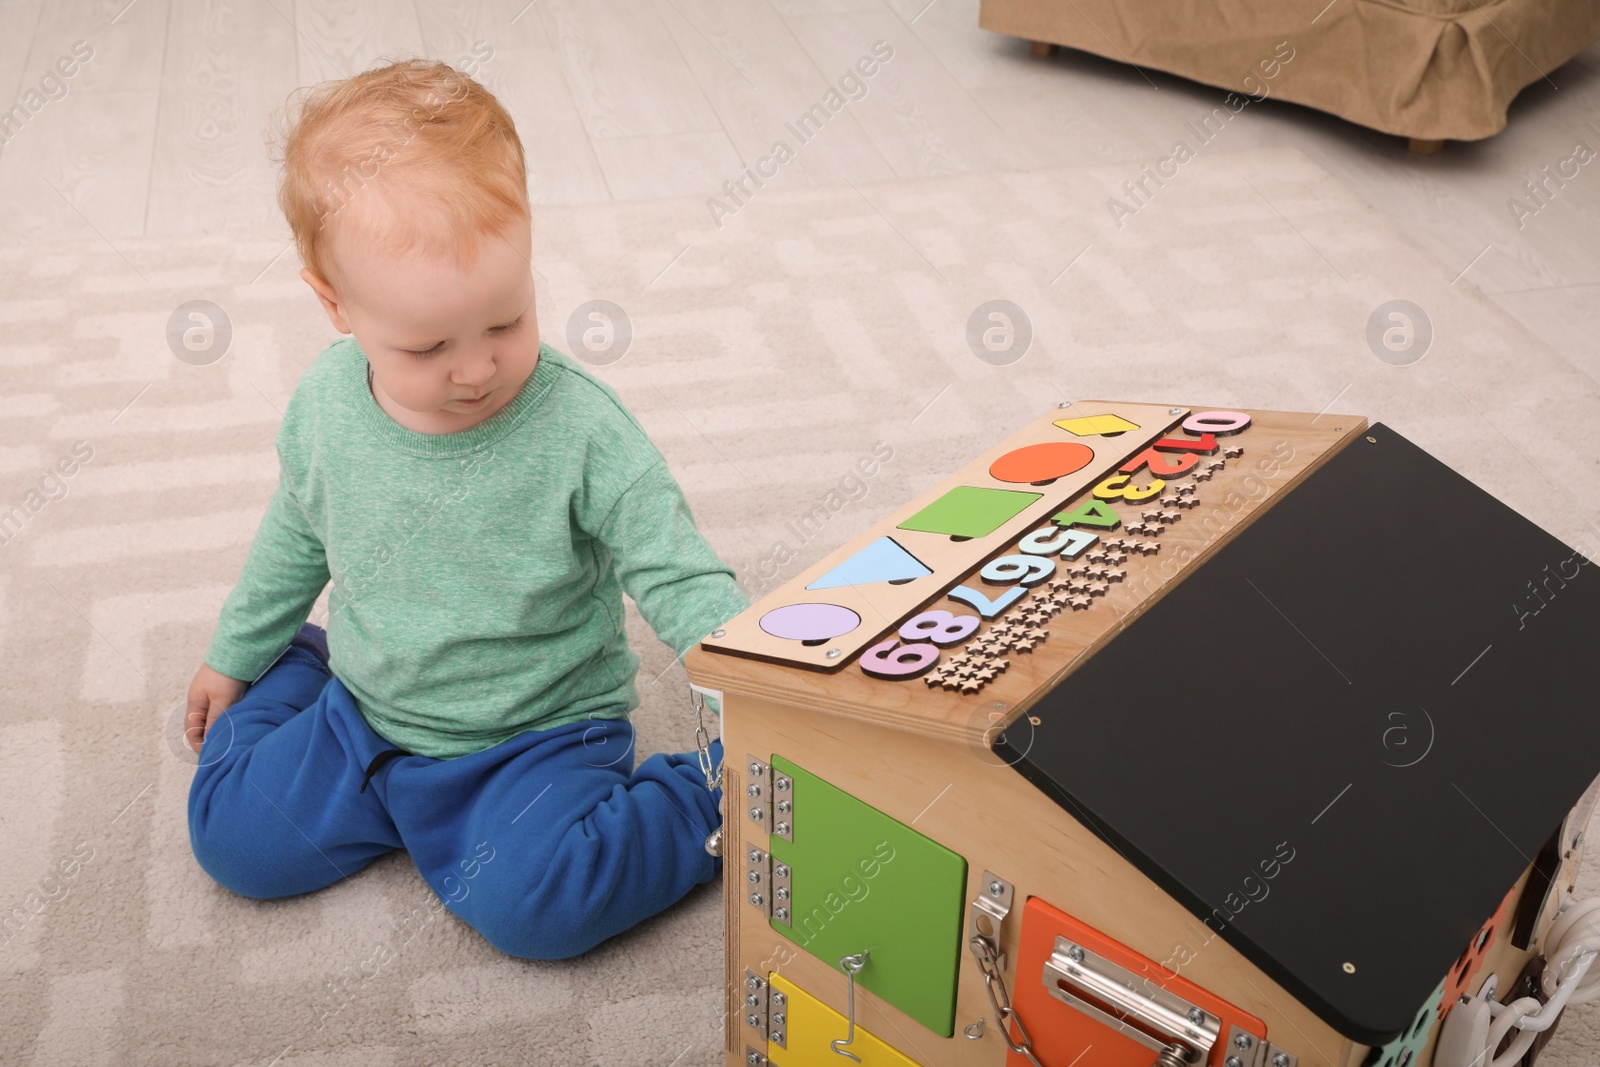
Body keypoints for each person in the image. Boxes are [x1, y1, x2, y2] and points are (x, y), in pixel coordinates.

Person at [183, 58, 746, 960]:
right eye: (429, 344)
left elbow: (675, 567)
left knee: (543, 909)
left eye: (509, 319)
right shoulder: (326, 405)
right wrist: (233, 653)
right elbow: (297, 531)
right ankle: (294, 666)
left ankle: (709, 798)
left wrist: (754, 693)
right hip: (365, 712)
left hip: (535, 738)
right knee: (230, 840)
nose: (479, 367)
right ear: (334, 305)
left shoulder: (581, 429)